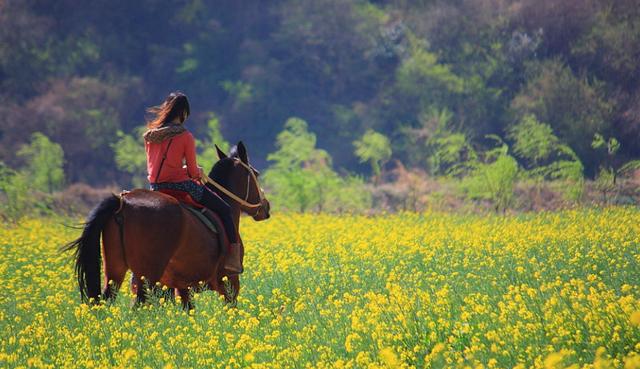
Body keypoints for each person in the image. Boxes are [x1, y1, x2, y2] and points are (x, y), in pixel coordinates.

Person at [143, 91, 243, 274]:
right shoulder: (185, 136)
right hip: (180, 186)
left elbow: (154, 167)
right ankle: (233, 258)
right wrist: (199, 172)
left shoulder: (150, 136)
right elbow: (191, 172)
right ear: (183, 113)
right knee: (225, 209)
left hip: (155, 188)